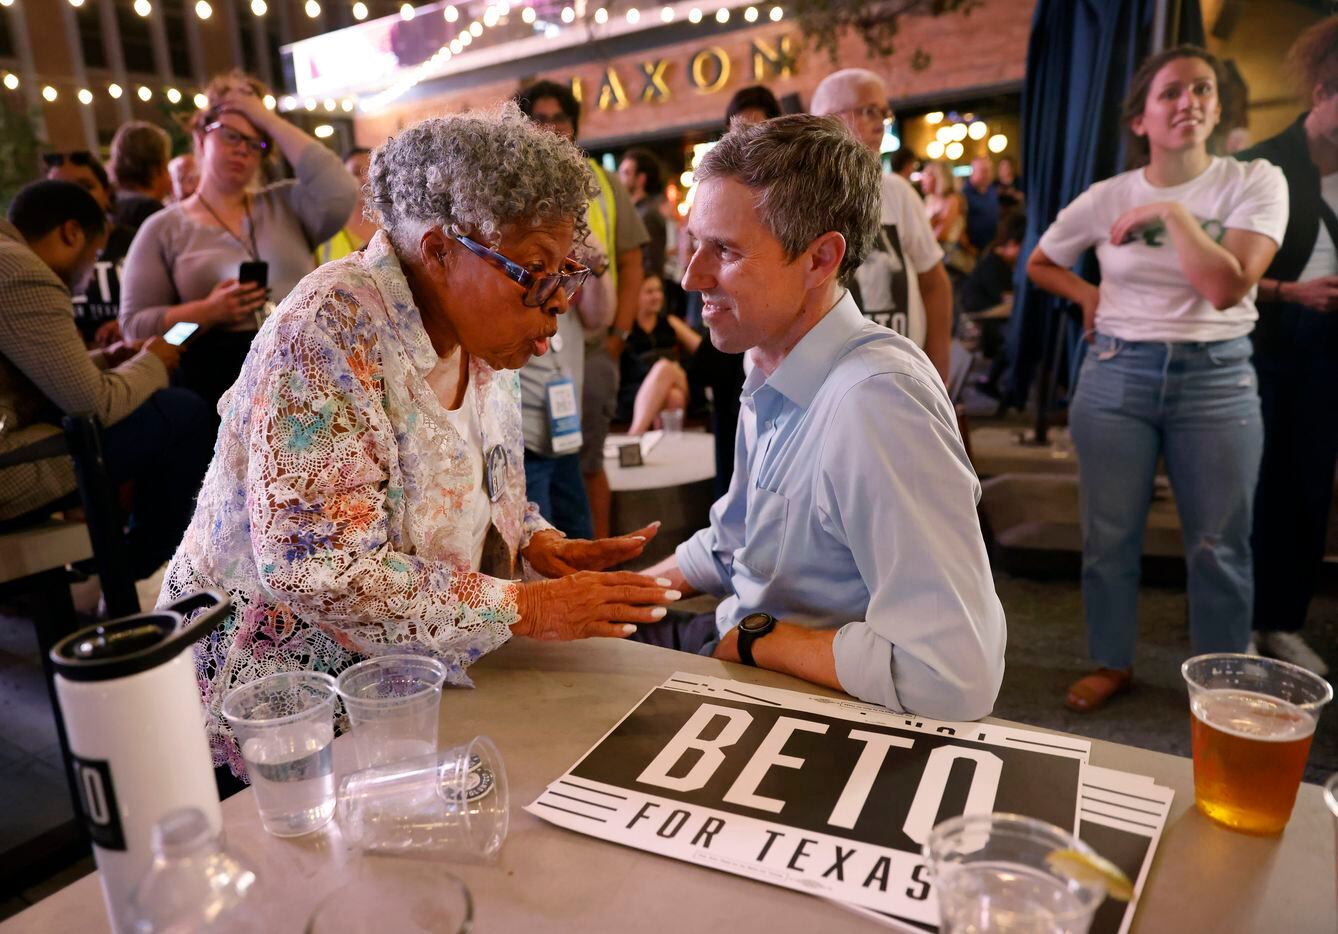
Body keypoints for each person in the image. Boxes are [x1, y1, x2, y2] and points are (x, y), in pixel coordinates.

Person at [158, 105, 679, 778]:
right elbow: (317, 565)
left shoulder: (482, 340)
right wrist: (526, 605)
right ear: (439, 251)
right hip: (285, 717)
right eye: (536, 269)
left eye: (566, 270)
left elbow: (479, 482)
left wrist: (536, 541)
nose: (558, 300)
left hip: (402, 695)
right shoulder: (326, 332)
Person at [640, 115, 1006, 720]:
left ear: (820, 259)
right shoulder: (765, 353)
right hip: (737, 645)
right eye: (694, 244)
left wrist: (759, 639)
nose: (691, 276)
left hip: (801, 699)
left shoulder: (875, 403)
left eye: (725, 251)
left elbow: (953, 677)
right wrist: (619, 592)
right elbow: (738, 543)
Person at [1027, 46, 1287, 712]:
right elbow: (1042, 262)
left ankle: (1222, 676)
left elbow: (1227, 288)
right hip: (1116, 373)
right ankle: (1111, 661)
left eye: (1202, 90)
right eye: (1170, 93)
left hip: (1217, 378)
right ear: (1139, 117)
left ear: (1218, 106)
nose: (1188, 102)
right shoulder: (1107, 197)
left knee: (1218, 542)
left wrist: (1171, 213)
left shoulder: (1252, 181)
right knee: (1109, 537)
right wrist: (1088, 297)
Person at [0, 181, 212, 579]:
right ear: (71, 233)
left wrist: (104, 358)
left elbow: (27, 374)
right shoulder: (22, 271)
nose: (89, 268)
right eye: (94, 255)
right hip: (10, 466)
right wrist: (154, 359)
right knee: (182, 413)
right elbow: (96, 404)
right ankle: (129, 569)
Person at [120, 70, 358, 409]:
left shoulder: (285, 204)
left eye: (255, 142)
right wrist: (205, 312)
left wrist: (266, 118)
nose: (243, 150)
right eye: (231, 136)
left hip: (304, 374)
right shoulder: (163, 228)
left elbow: (340, 189)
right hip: (215, 386)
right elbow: (135, 330)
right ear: (202, 138)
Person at [1238, 17, 1338, 676]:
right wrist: (1291, 293)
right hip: (1265, 339)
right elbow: (1225, 270)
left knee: (1308, 483)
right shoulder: (1264, 164)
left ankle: (1282, 620)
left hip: (1328, 345)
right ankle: (1237, 620)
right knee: (1250, 486)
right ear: (1321, 89)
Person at [516, 80, 647, 540]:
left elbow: (600, 308)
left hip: (568, 395)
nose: (551, 131)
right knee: (543, 542)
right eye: (540, 120)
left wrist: (589, 257)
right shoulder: (506, 205)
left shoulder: (598, 191)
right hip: (521, 418)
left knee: (579, 523)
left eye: (560, 120)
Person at [810, 68, 953, 383]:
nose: (880, 124)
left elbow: (935, 285)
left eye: (884, 113)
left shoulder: (897, 192)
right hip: (827, 384)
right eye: (868, 110)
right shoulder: (797, 199)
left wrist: (939, 376)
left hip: (904, 380)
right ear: (827, 120)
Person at [44, 150, 120, 344]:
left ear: (107, 192)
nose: (73, 199)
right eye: (59, 191)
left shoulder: (139, 242)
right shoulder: (38, 257)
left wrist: (129, 325)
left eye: (85, 187)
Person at [618, 275, 701, 434]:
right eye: (649, 291)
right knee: (673, 396)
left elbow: (702, 350)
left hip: (678, 378)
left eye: (659, 290)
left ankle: (634, 436)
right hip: (638, 389)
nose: (657, 296)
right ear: (635, 295)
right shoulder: (626, 326)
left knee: (664, 367)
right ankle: (665, 452)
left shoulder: (670, 322)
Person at [315, 147, 379, 265]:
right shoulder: (323, 230)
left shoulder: (394, 224)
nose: (366, 178)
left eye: (371, 170)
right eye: (356, 172)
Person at [618, 147, 667, 279]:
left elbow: (650, 266)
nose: (619, 178)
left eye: (626, 173)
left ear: (640, 179)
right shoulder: (638, 211)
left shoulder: (647, 215)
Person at [920, 160, 971, 275]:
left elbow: (942, 233)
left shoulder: (952, 200)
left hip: (949, 256)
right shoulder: (929, 199)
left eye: (927, 175)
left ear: (939, 177)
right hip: (932, 252)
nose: (922, 179)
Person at [963, 156, 1001, 254]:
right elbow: (959, 227)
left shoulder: (991, 189)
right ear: (973, 172)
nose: (988, 175)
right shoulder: (963, 194)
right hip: (972, 251)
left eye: (989, 170)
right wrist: (970, 248)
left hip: (991, 246)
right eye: (984, 171)